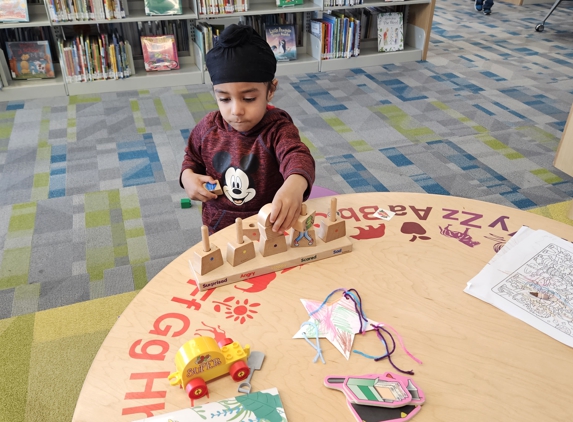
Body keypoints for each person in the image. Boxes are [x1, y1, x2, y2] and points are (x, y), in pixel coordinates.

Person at [180, 24, 315, 234]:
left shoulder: (278, 129)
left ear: (271, 90)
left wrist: (295, 185)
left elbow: (297, 155)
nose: (236, 110)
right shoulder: (207, 128)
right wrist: (187, 177)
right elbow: (192, 158)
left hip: (271, 227)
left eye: (249, 98)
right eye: (224, 98)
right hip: (219, 228)